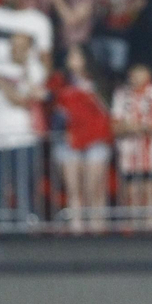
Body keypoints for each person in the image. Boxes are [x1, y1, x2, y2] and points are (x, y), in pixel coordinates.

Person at [0, 30, 46, 228]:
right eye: (12, 45)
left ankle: (24, 234)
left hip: (22, 139)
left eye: (20, 46)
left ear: (29, 49)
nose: (14, 49)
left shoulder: (35, 70)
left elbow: (21, 100)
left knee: (23, 189)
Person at [52, 46, 113, 233]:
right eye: (69, 54)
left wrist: (91, 93)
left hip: (95, 139)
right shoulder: (60, 81)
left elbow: (109, 108)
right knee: (73, 189)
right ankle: (77, 231)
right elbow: (54, 109)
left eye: (75, 54)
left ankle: (98, 230)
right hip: (69, 140)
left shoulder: (99, 81)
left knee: (93, 188)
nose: (71, 58)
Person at [111, 61, 152, 228]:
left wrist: (144, 128)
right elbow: (114, 125)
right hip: (129, 151)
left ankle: (150, 224)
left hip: (151, 151)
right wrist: (127, 128)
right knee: (130, 189)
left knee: (149, 188)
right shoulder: (121, 94)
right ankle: (131, 225)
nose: (136, 76)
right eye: (133, 72)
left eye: (140, 71)